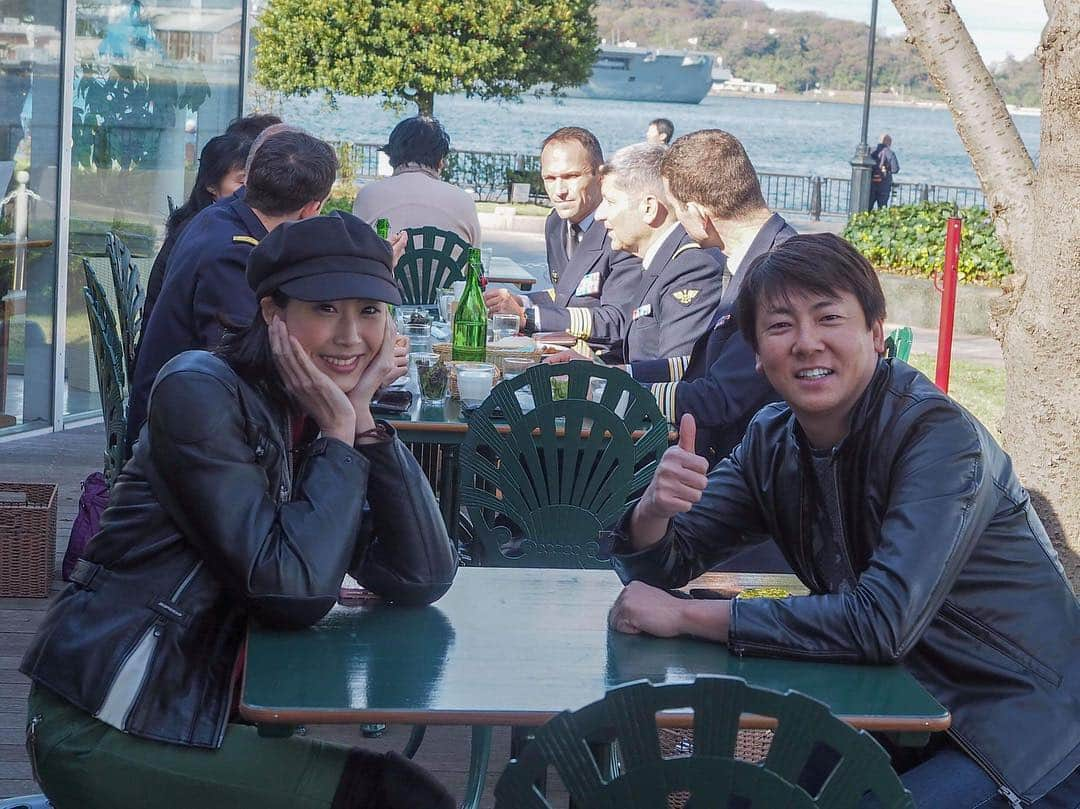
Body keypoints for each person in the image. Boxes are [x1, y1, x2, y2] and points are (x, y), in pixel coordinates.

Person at [607, 233, 1080, 809]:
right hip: (896, 714)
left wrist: (687, 614)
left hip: (1020, 731)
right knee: (723, 794)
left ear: (876, 334)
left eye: (829, 318)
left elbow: (881, 622)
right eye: (781, 326)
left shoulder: (938, 438)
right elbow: (663, 566)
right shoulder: (773, 440)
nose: (808, 343)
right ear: (757, 353)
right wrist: (654, 510)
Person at [22, 213, 460, 809]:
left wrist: (366, 426)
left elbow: (420, 575)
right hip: (106, 722)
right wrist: (338, 429)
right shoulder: (199, 392)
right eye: (325, 309)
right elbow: (289, 590)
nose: (352, 336)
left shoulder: (312, 411)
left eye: (369, 311)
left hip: (202, 709)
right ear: (272, 313)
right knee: (400, 798)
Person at [128, 128, 408, 452]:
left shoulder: (219, 218)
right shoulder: (236, 257)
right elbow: (258, 368)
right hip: (186, 447)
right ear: (311, 210)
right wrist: (365, 377)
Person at [543, 141, 723, 365]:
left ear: (649, 208)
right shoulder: (661, 261)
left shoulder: (691, 266)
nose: (600, 215)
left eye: (610, 201)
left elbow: (676, 372)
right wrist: (593, 366)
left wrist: (600, 377)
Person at [484, 127, 641, 356]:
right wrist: (521, 301)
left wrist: (528, 316)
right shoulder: (556, 223)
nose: (560, 191)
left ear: (600, 176)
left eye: (571, 176)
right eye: (550, 178)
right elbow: (566, 293)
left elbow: (616, 320)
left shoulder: (620, 228)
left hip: (606, 363)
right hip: (561, 351)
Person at [352, 115, 481, 245]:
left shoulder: (368, 195)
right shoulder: (463, 201)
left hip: (384, 265)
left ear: (391, 156)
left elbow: (357, 254)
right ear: (440, 161)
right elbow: (475, 259)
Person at [870, 133, 900, 210]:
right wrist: (886, 169)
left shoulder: (871, 151)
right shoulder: (889, 153)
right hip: (884, 184)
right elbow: (895, 169)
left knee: (868, 207)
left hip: (871, 183)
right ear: (888, 142)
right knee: (882, 208)